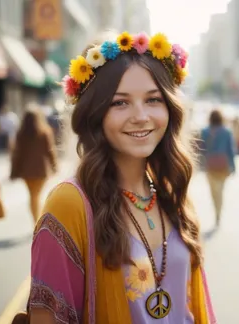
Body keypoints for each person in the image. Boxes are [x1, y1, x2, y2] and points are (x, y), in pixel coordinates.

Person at [27, 31, 216, 323]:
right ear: (95, 113)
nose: (141, 116)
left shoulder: (170, 193)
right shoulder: (70, 205)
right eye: (120, 103)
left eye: (153, 99)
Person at [10, 106, 58, 223]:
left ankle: (35, 220)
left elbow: (17, 153)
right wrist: (54, 165)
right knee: (36, 196)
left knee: (33, 196)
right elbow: (50, 151)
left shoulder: (21, 134)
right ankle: (38, 220)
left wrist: (14, 171)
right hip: (41, 170)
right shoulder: (45, 132)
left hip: (26, 171)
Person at [200, 109, 236, 227]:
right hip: (223, 165)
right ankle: (218, 213)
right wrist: (233, 166)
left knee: (213, 192)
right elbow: (231, 151)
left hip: (210, 165)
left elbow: (202, 149)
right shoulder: (227, 132)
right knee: (220, 191)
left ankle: (216, 210)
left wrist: (201, 165)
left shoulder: (205, 131)